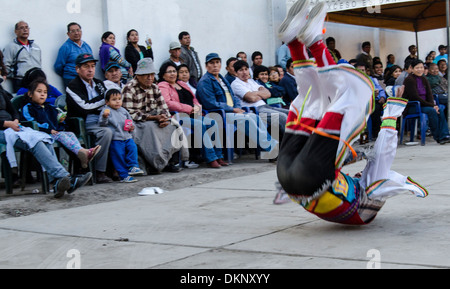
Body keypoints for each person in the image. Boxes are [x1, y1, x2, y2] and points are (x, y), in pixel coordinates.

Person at [276, 0, 428, 225]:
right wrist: (360, 155)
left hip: (312, 180)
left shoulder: (367, 203)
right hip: (289, 180)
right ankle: (294, 43)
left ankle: (315, 42)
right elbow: (345, 162)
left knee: (346, 101)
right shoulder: (351, 204)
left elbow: (383, 155)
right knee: (312, 105)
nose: (360, 176)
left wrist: (392, 112)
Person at [0, 86, 91, 198]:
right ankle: (63, 177)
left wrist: (15, 120)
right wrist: (6, 124)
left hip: (14, 127)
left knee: (45, 139)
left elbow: (13, 110)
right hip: (3, 130)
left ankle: (58, 182)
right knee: (35, 142)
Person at [196, 53, 278, 159]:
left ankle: (270, 148)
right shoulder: (205, 82)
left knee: (254, 117)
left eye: (217, 62)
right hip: (218, 114)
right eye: (212, 63)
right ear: (206, 66)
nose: (215, 65)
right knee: (247, 119)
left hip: (231, 112)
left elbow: (234, 97)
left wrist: (238, 107)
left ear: (220, 64)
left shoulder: (222, 79)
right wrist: (232, 109)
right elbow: (210, 103)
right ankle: (272, 147)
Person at [122, 58, 189, 173]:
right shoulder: (129, 88)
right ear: (138, 75)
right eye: (146, 75)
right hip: (137, 122)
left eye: (151, 75)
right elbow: (130, 113)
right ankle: (154, 164)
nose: (149, 78)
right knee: (150, 129)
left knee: (172, 127)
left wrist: (164, 118)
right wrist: (153, 118)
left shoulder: (154, 87)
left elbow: (163, 107)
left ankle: (168, 162)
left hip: (154, 119)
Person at [158, 62, 228, 168]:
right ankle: (211, 158)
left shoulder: (182, 84)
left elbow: (194, 99)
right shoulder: (163, 85)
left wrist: (197, 107)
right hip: (177, 116)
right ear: (163, 75)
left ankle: (219, 156)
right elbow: (168, 103)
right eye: (169, 72)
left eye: (174, 71)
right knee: (199, 124)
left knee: (212, 122)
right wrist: (189, 109)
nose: (172, 74)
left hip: (192, 114)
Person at [21, 79, 101, 169]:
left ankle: (82, 155)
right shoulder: (28, 108)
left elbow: (57, 122)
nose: (42, 94)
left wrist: (61, 121)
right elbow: (31, 123)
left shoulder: (50, 107)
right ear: (30, 94)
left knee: (70, 134)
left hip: (55, 132)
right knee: (61, 136)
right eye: (39, 92)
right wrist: (48, 130)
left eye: (45, 92)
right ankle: (83, 153)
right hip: (42, 134)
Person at [66, 53, 113, 183]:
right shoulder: (73, 86)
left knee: (122, 128)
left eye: (92, 66)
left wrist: (105, 102)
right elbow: (84, 107)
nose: (91, 69)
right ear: (77, 69)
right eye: (86, 66)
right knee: (107, 132)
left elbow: (108, 103)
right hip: (84, 122)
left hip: (102, 118)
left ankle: (118, 169)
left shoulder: (98, 83)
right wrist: (104, 100)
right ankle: (99, 171)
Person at [231, 60, 288, 140]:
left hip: (265, 106)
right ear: (236, 73)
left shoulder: (251, 81)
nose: (244, 72)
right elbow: (251, 98)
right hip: (254, 110)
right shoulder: (236, 84)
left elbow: (268, 94)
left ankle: (299, 140)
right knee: (282, 117)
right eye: (241, 70)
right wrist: (260, 93)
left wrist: (255, 93)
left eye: (246, 69)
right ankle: (289, 145)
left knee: (290, 113)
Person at [99, 89, 144, 183]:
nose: (117, 101)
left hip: (127, 137)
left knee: (133, 148)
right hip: (116, 139)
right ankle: (124, 176)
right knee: (119, 156)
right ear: (107, 102)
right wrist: (104, 117)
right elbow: (102, 124)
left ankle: (133, 166)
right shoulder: (106, 111)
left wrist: (132, 128)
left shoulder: (123, 111)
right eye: (114, 99)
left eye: (119, 99)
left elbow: (130, 121)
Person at [403, 59, 450, 144]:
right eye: (417, 68)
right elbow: (415, 97)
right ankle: (438, 137)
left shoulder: (424, 79)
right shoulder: (409, 80)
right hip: (413, 106)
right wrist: (431, 106)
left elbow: (429, 94)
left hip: (425, 105)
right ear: (412, 68)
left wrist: (433, 105)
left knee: (440, 109)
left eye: (421, 67)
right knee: (432, 111)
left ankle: (445, 135)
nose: (420, 70)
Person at [3, 21, 42, 93]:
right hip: (20, 81)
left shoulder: (36, 47)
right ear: (16, 31)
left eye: (27, 27)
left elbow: (39, 63)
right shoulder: (11, 47)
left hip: (37, 81)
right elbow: (5, 65)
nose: (25, 30)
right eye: (21, 28)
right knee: (23, 102)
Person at [54, 23, 93, 88]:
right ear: (68, 34)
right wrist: (70, 73)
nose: (76, 33)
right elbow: (58, 66)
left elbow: (92, 62)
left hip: (86, 79)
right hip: (72, 79)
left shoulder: (86, 46)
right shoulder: (65, 47)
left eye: (78, 30)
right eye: (73, 31)